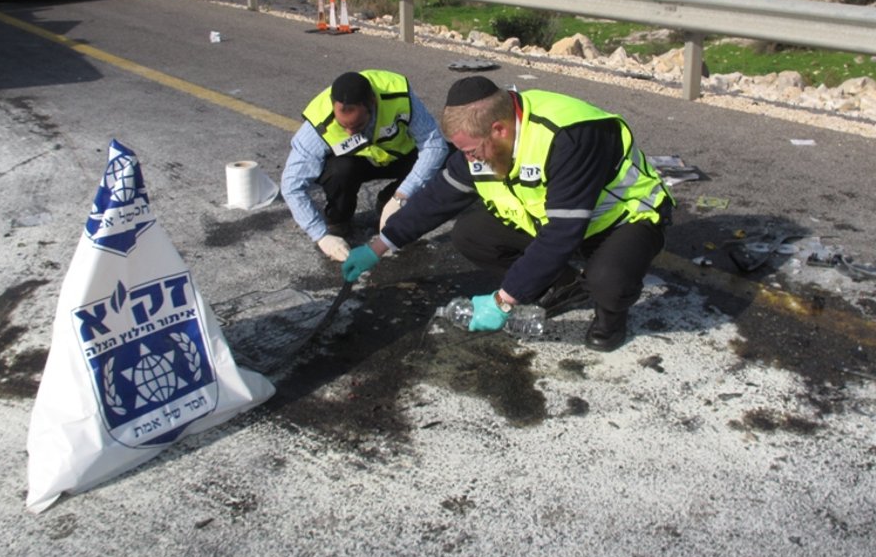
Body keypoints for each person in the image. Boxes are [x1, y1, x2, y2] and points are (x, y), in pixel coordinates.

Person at [342, 76, 673, 351]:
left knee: (608, 280)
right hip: (555, 221)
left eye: (471, 151)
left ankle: (611, 317)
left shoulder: (570, 136)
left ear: (499, 130)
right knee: (470, 234)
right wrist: (379, 245)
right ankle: (566, 284)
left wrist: (503, 300)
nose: (469, 160)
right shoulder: (483, 139)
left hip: (623, 219)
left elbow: (561, 234)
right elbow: (437, 200)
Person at [281, 70, 448, 264]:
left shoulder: (397, 94)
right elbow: (291, 185)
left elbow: (434, 145)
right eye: (343, 126)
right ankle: (339, 219)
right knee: (340, 170)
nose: (350, 132)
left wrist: (401, 196)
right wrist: (320, 235)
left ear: (373, 104)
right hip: (357, 164)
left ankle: (388, 202)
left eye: (358, 125)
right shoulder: (319, 121)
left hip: (401, 155)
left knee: (447, 162)